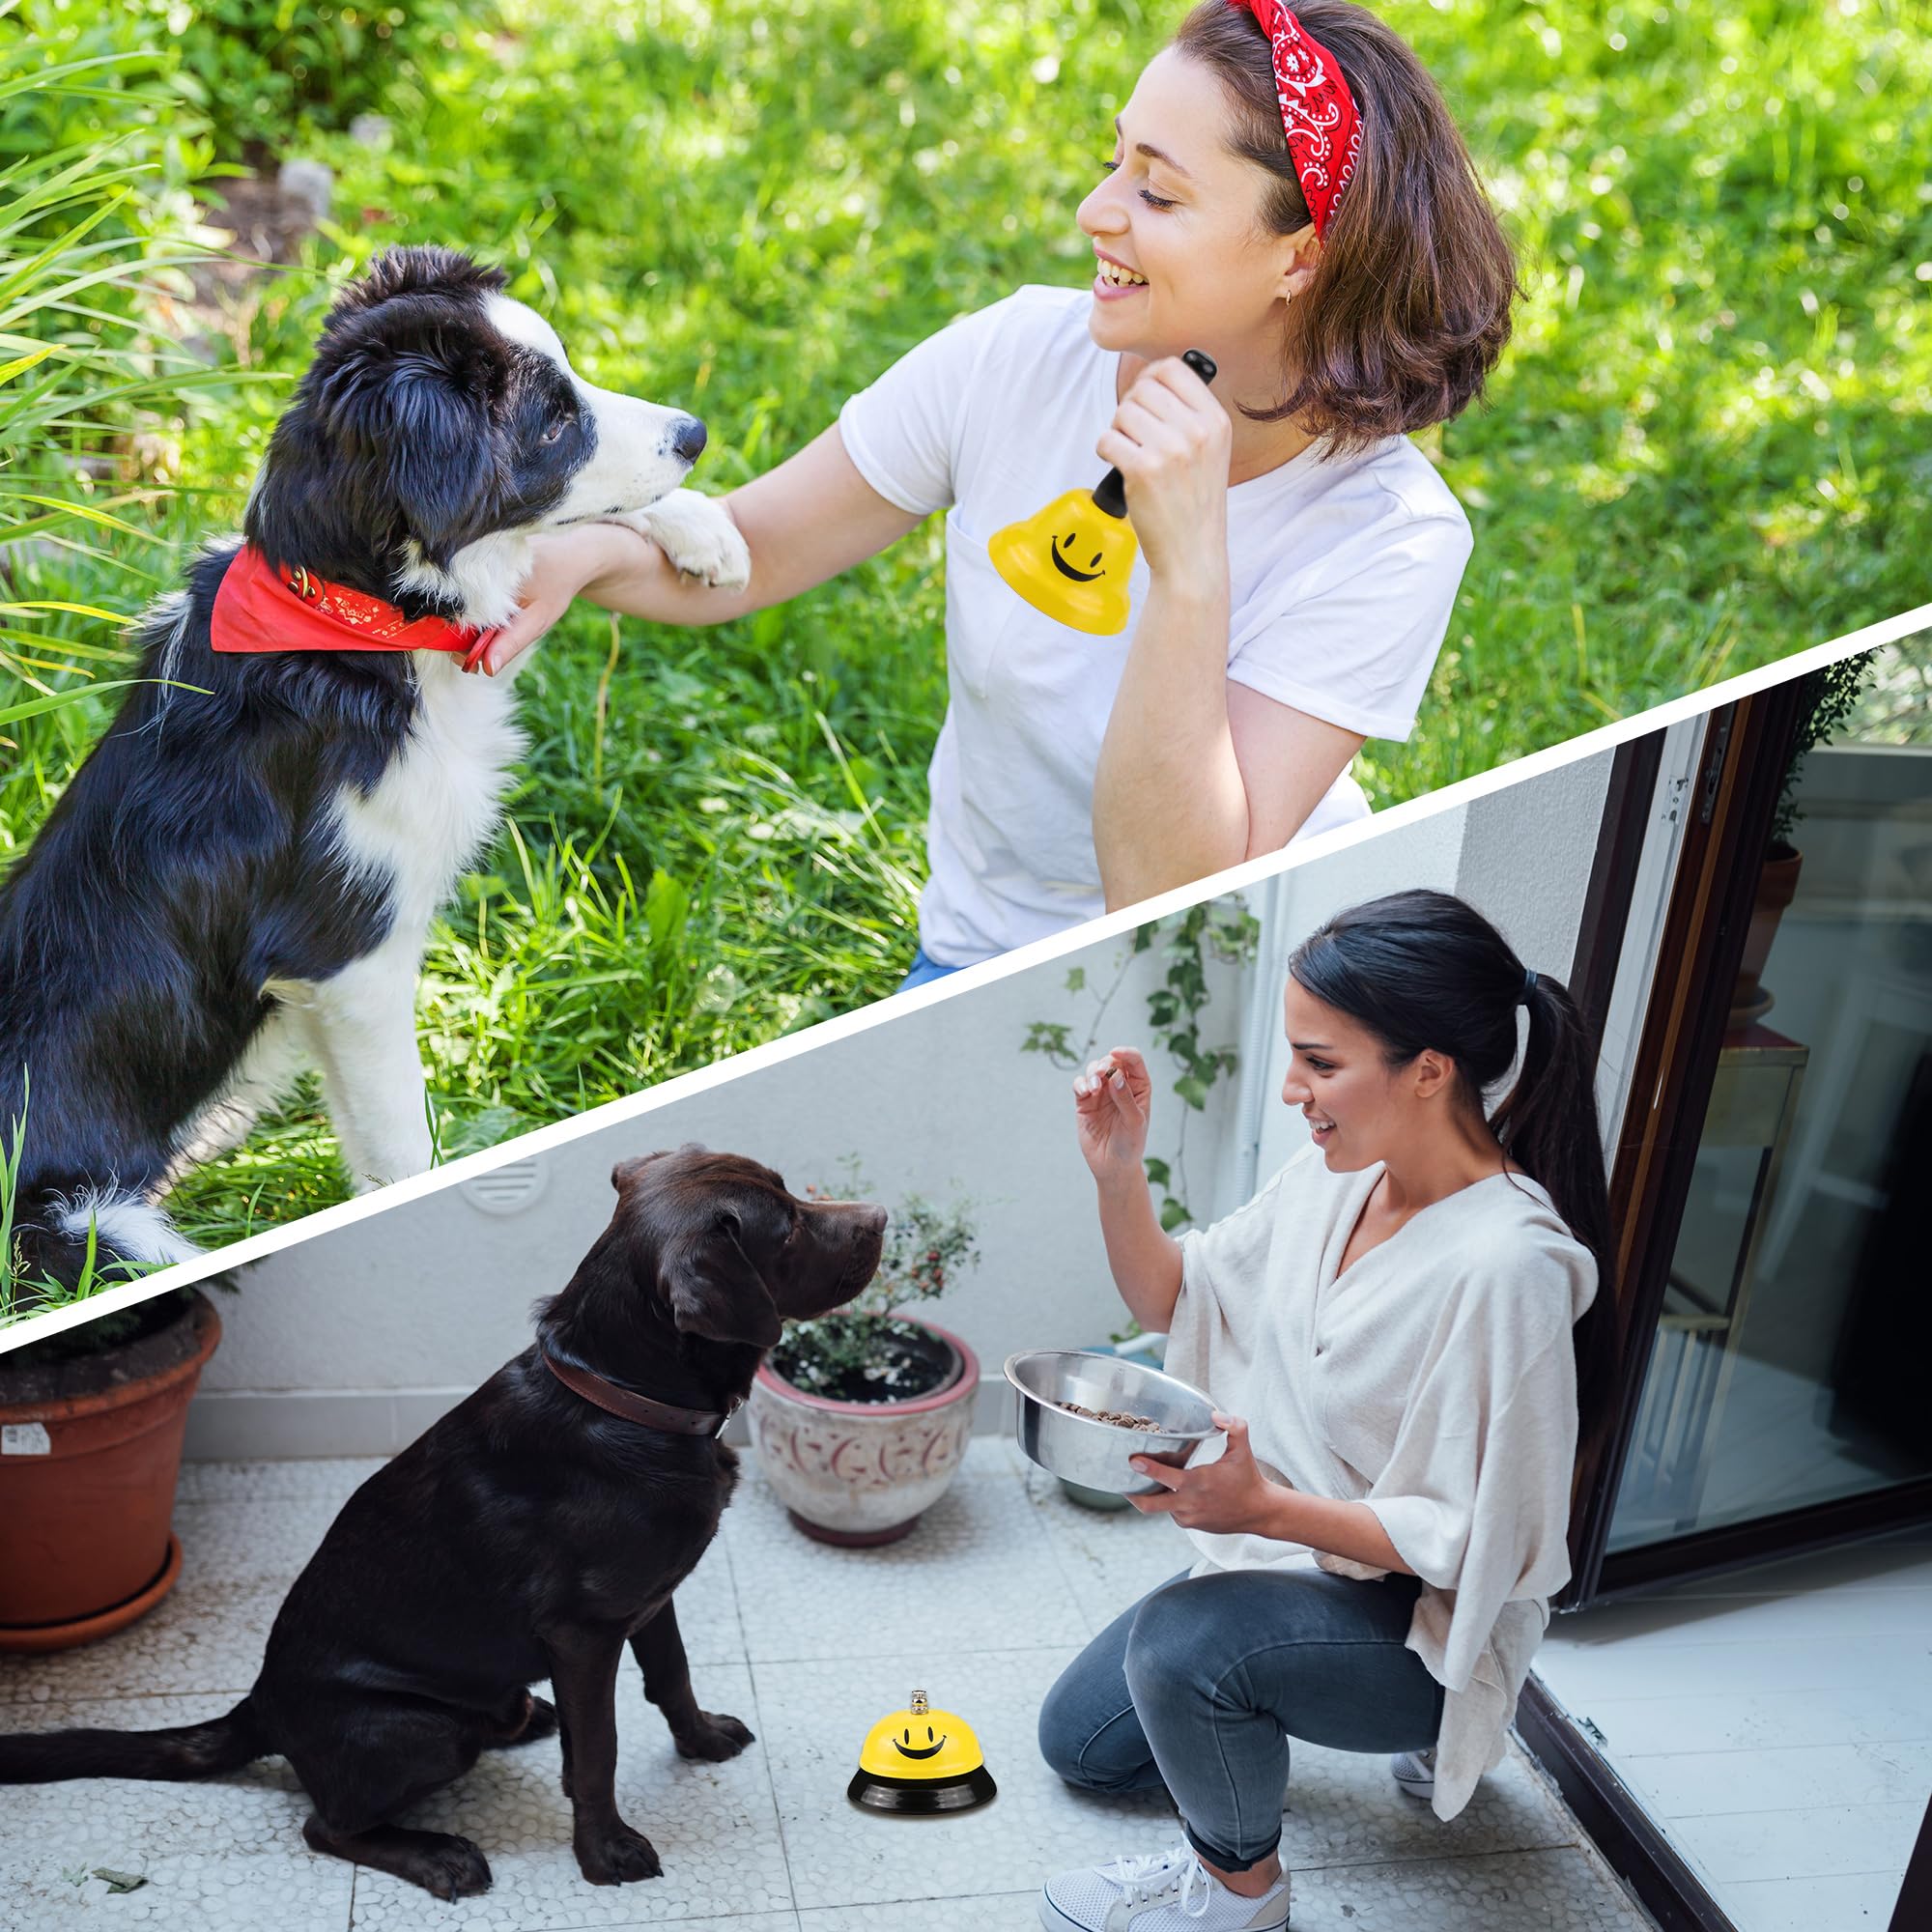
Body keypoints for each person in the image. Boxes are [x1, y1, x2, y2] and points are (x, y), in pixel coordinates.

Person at [471, 3, 1517, 988]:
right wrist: (590, 554)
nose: (1094, 210)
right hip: (982, 956)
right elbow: (756, 544)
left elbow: (1169, 908)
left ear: (1297, 257)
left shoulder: (1389, 536)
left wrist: (1189, 567)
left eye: (1155, 193)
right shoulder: (1015, 355)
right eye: (1111, 162)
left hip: (1244, 982)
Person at [1037, 888, 1611, 1932]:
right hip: (1293, 1565)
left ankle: (1238, 1896)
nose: (1294, 1089)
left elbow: (1481, 1542)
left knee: (1179, 1646)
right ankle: (1253, 1670)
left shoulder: (1506, 1266)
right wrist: (1118, 1174)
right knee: (1076, 1745)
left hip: (1419, 1624)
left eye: (1320, 1061)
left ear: (1428, 1069)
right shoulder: (1338, 1175)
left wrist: (1259, 1507)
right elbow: (1178, 1294)